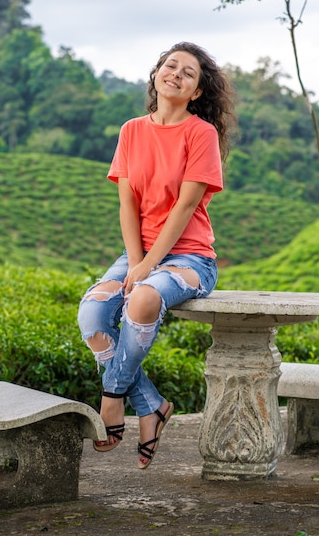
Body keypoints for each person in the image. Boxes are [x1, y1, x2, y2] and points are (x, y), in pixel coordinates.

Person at [77, 41, 236, 469]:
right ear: (156, 73)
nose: (176, 74)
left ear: (197, 92)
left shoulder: (201, 134)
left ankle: (113, 401)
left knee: (144, 298)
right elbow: (126, 203)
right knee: (91, 314)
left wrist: (148, 267)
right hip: (140, 253)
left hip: (190, 258)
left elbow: (186, 207)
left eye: (188, 73)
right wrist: (137, 260)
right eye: (171, 66)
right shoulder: (131, 130)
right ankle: (151, 404)